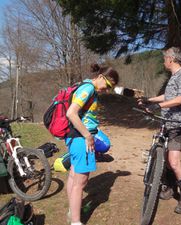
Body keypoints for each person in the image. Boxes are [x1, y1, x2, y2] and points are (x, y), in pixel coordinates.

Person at [139, 47, 181, 214]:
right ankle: (169, 188)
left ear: (171, 59)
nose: (164, 62)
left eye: (165, 59)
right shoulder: (174, 77)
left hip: (176, 124)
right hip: (165, 123)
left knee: (174, 162)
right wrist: (149, 101)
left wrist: (158, 105)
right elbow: (167, 97)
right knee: (166, 160)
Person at [66, 64, 119, 225]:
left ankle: (73, 211)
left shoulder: (87, 86)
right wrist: (88, 136)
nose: (107, 90)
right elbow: (71, 113)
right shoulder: (88, 88)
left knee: (74, 177)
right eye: (108, 86)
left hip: (76, 138)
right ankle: (76, 221)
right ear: (101, 77)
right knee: (80, 182)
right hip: (81, 139)